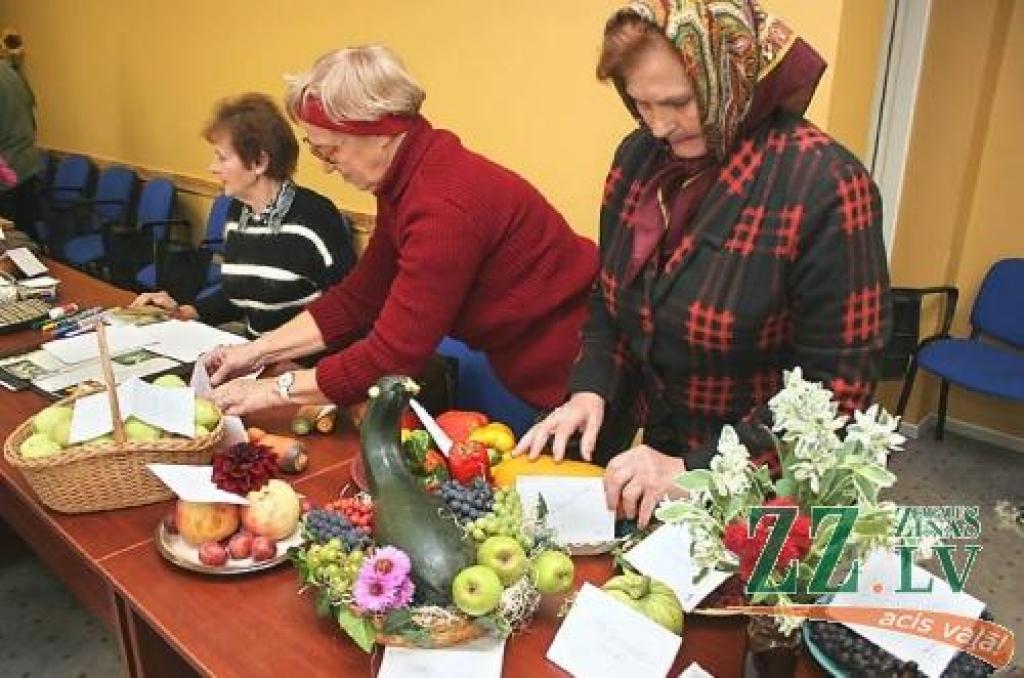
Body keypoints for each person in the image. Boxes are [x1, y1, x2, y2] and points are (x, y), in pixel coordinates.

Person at [516, 0, 892, 527]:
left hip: (767, 483)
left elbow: (838, 392)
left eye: (679, 102)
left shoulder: (825, 187)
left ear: (732, 75)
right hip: (663, 458)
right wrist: (590, 387)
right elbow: (611, 297)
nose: (661, 126)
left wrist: (695, 471)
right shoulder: (638, 159)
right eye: (641, 104)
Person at [203, 45, 598, 417]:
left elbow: (392, 358)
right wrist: (256, 353)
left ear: (378, 133)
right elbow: (359, 299)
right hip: (533, 366)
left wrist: (272, 390)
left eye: (330, 150)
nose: (325, 165)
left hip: (580, 371)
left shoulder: (440, 207)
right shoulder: (407, 181)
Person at [131, 93, 356, 339]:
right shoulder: (237, 212)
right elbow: (242, 292)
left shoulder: (316, 217)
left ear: (259, 162)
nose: (212, 167)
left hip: (303, 366)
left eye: (222, 157)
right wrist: (185, 311)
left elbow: (350, 315)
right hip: (257, 357)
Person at [0, 46, 41, 241]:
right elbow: (32, 110)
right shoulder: (13, 72)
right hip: (27, 166)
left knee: (11, 245)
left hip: (6, 176)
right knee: (26, 235)